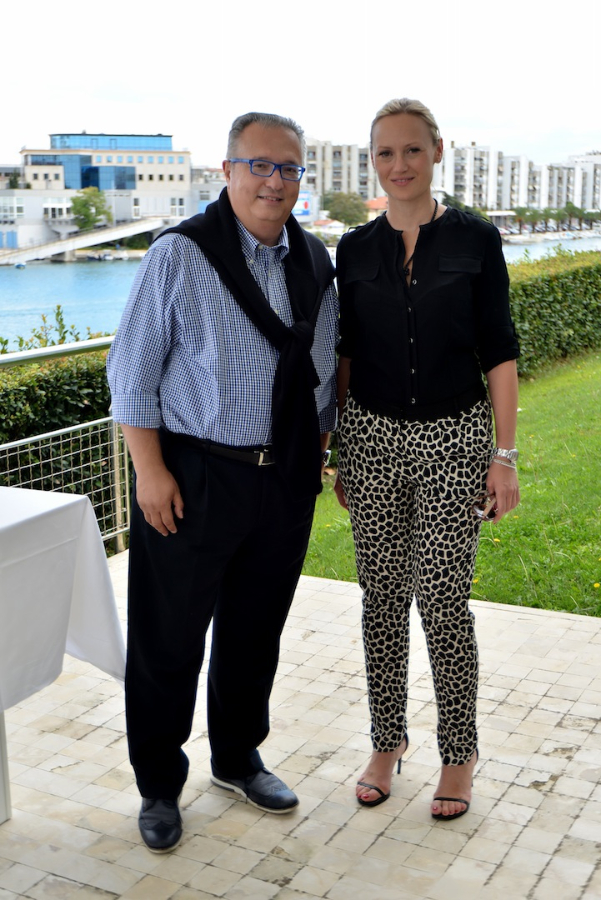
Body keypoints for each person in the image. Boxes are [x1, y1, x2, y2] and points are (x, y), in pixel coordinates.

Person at [107, 111, 338, 852]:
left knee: (253, 632)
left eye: (288, 168)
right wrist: (149, 472)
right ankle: (158, 783)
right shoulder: (179, 254)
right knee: (168, 638)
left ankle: (237, 758)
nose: (275, 181)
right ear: (228, 170)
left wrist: (314, 458)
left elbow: (322, 376)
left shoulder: (315, 260)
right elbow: (131, 372)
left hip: (283, 479)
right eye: (259, 165)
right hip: (193, 475)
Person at [334, 98, 520, 821]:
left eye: (412, 149)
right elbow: (346, 354)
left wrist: (504, 457)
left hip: (454, 438)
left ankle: (458, 753)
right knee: (380, 599)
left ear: (437, 151)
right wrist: (340, 449)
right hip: (373, 438)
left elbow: (498, 349)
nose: (399, 165)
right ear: (372, 161)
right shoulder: (353, 250)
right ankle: (387, 741)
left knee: (443, 601)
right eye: (385, 153)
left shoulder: (476, 239)